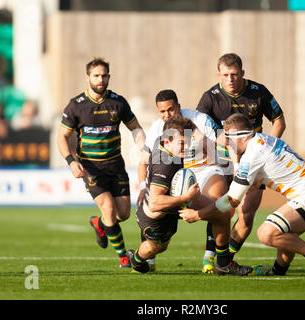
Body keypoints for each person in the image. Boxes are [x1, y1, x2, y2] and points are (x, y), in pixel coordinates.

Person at [180, 113, 305, 279]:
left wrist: (197, 215)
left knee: (267, 233)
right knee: (284, 232)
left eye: (229, 139)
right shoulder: (261, 140)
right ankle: (278, 271)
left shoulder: (253, 153)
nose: (228, 145)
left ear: (241, 137)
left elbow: (231, 200)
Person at [128, 115, 253, 276]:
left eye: (188, 141)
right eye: (182, 143)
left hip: (175, 198)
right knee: (157, 247)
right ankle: (137, 259)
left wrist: (190, 126)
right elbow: (155, 203)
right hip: (156, 216)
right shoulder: (164, 165)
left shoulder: (167, 138)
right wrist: (186, 198)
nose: (187, 147)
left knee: (221, 214)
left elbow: (186, 132)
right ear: (167, 142)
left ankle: (223, 264)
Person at [196, 53, 286, 269]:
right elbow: (199, 129)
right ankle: (211, 256)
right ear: (219, 75)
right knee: (220, 206)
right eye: (226, 75)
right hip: (222, 161)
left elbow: (279, 120)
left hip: (254, 161)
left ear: (242, 73)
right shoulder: (210, 97)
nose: (230, 79)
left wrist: (267, 147)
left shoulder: (258, 92)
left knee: (246, 214)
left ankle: (224, 259)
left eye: (235, 74)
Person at [57, 58, 146, 268]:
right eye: (96, 76)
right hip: (91, 168)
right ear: (87, 77)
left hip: (116, 166)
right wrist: (71, 162)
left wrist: (143, 147)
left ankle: (98, 224)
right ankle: (124, 257)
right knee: (107, 208)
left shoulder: (118, 102)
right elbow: (62, 137)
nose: (100, 79)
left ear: (109, 77)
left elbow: (135, 127)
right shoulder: (75, 106)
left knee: (122, 214)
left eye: (104, 75)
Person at [137, 89, 228, 272]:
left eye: (170, 109)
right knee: (158, 228)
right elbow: (144, 161)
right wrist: (142, 186)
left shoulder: (198, 119)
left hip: (205, 168)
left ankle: (213, 261)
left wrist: (195, 132)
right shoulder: (158, 130)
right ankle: (147, 260)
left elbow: (218, 147)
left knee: (220, 205)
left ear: (179, 106)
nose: (166, 115)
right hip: (179, 176)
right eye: (162, 111)